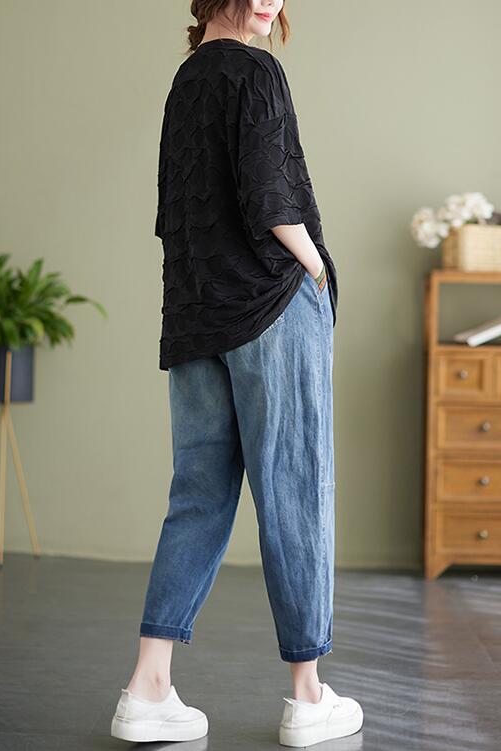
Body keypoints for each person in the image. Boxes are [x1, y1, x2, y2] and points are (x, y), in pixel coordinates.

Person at [111, 0, 363, 746]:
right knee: (296, 488)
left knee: (197, 494)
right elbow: (270, 199)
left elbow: (173, 216)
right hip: (270, 307)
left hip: (195, 314)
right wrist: (317, 268)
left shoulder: (187, 79)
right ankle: (308, 698)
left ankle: (147, 687)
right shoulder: (257, 71)